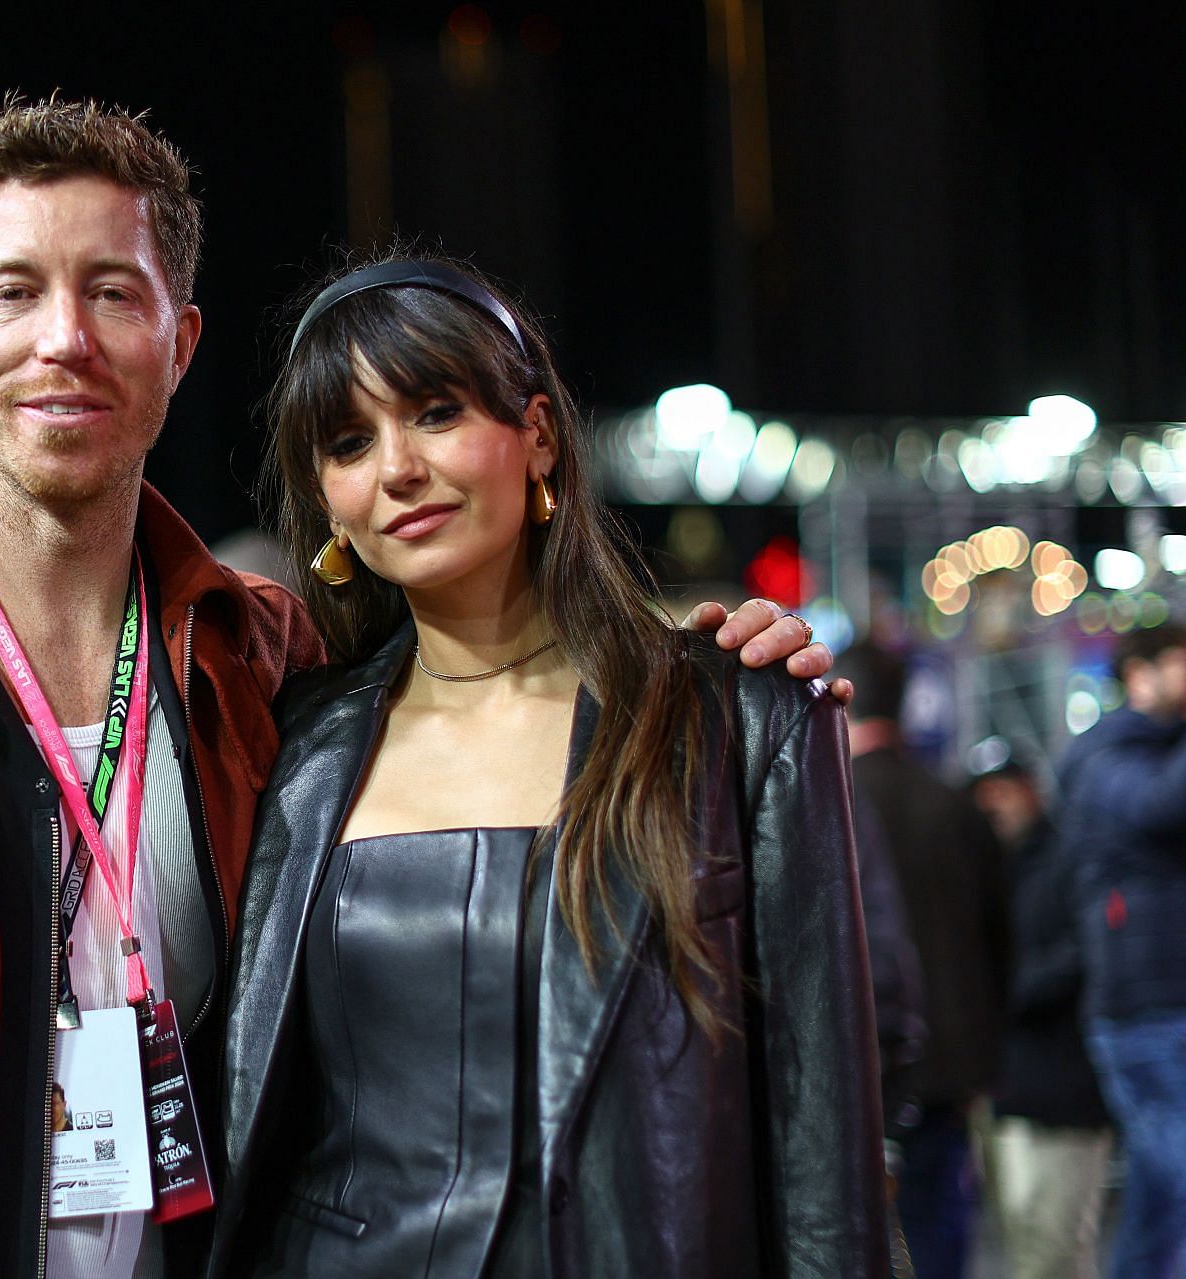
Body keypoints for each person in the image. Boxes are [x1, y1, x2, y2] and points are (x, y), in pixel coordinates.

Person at [0, 98, 838, 1279]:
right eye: (12, 292)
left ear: (182, 338)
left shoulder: (266, 669)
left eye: (113, 292)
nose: (64, 340)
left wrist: (713, 667)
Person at [209, 255, 884, 1278]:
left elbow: (823, 1138)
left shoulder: (739, 714)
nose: (396, 467)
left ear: (538, 434)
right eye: (351, 440)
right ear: (327, 498)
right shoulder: (286, 742)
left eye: (436, 412)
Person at [832, 642, 1010, 1279]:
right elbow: (999, 941)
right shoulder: (954, 806)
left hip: (851, 1072)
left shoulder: (821, 805)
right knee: (939, 1232)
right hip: (948, 1068)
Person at [1059, 624, 1186, 1279]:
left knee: (1161, 1198)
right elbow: (1159, 804)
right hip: (1143, 1005)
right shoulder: (1104, 758)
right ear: (1139, 674)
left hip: (1163, 1000)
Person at [971, 755, 1113, 1279]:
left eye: (1004, 788)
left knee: (1053, 1248)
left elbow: (1085, 953)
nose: (993, 803)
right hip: (1003, 1087)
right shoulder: (986, 865)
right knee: (1020, 1242)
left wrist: (1001, 991)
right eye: (984, 791)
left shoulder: (1071, 857)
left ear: (1031, 789)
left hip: (1064, 1088)